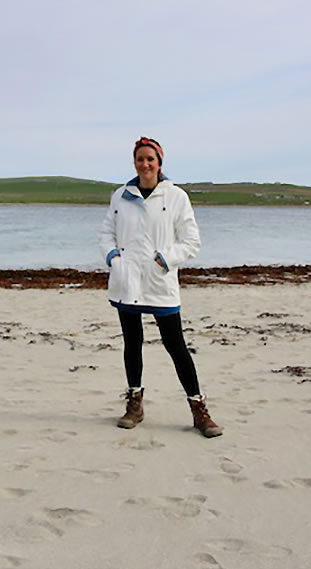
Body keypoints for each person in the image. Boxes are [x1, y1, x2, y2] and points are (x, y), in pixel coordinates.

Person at [97, 136, 222, 438]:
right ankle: (135, 404)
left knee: (176, 345)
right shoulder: (120, 196)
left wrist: (165, 259)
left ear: (160, 162)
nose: (145, 164)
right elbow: (105, 233)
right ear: (135, 163)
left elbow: (191, 241)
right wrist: (113, 257)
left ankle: (198, 409)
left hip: (159, 281)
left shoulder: (176, 197)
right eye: (140, 159)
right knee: (132, 342)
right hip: (127, 281)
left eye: (150, 159)